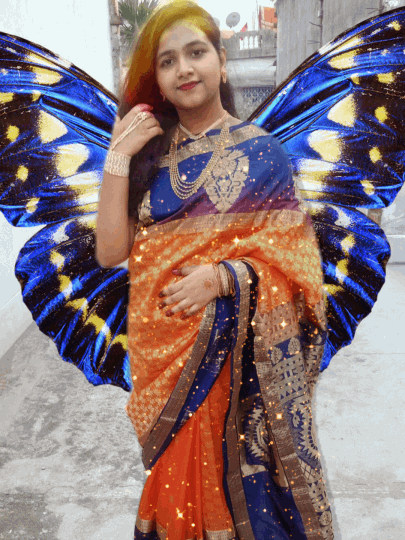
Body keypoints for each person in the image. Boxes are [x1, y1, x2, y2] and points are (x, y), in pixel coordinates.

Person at [96, 1, 334, 538]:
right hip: (165, 364)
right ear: (157, 80)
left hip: (238, 369)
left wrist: (226, 278)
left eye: (196, 53)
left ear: (222, 63)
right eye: (167, 61)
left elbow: (299, 267)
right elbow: (111, 252)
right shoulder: (148, 157)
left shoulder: (264, 155)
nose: (184, 69)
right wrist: (118, 155)